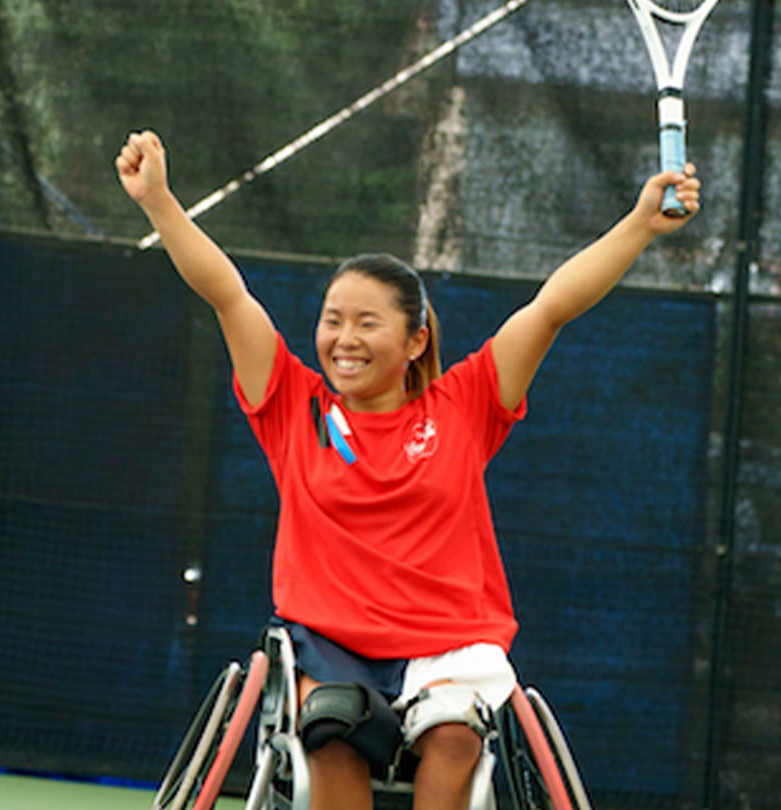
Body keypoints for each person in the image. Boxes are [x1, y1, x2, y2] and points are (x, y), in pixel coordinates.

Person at [116, 130, 700, 810]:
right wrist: (158, 202)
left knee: (454, 739)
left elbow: (552, 306)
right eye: (333, 321)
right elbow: (228, 294)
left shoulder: (466, 404)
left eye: (368, 323)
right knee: (332, 728)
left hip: (449, 650)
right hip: (331, 648)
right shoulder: (291, 406)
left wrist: (638, 226)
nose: (344, 339)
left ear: (415, 339)